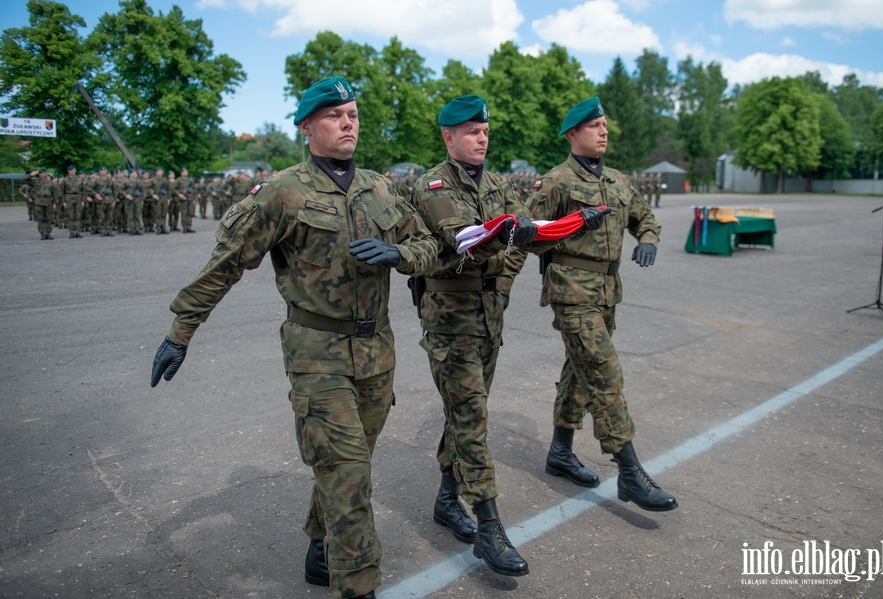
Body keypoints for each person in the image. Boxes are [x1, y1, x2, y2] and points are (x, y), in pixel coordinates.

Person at [149, 76, 437, 599]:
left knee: (345, 462)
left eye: (352, 113)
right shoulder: (284, 191)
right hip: (316, 353)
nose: (347, 122)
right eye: (333, 115)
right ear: (307, 127)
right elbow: (225, 264)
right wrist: (180, 331)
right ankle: (359, 586)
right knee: (349, 475)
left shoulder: (380, 187)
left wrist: (402, 256)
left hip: (377, 352)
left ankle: (318, 547)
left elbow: (427, 244)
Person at [509, 97, 677, 512]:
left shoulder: (618, 180)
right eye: (594, 126)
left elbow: (645, 218)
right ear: (573, 134)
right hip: (571, 291)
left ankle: (561, 452)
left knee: (578, 372)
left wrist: (649, 241)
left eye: (605, 124)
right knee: (605, 374)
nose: (603, 131)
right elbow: (525, 235)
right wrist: (501, 284)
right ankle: (630, 472)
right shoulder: (556, 182)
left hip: (606, 291)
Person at [411, 95, 547, 578]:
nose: (482, 137)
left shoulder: (497, 183)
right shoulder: (432, 184)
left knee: (465, 413)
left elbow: (523, 234)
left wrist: (505, 282)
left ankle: (448, 500)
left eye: (485, 129)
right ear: (448, 137)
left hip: (489, 313)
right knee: (471, 416)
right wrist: (513, 234)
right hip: (450, 318)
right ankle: (489, 527)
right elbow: (465, 236)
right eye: (471, 130)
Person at [61, 165, 84, 238]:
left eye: (73, 170)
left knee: (78, 216)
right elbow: (62, 191)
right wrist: (63, 201)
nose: (72, 171)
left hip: (78, 198)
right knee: (70, 216)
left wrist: (82, 200)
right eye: (70, 170)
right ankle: (71, 232)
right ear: (68, 171)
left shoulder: (79, 179)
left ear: (75, 170)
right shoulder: (65, 180)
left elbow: (83, 190)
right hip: (69, 198)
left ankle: (77, 231)